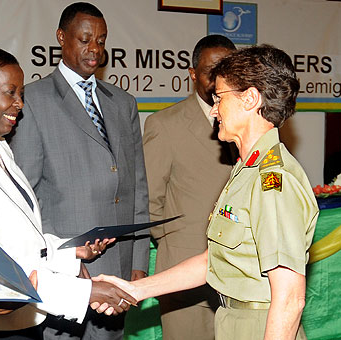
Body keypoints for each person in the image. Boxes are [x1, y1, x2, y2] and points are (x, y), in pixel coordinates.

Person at [94, 45, 319, 340]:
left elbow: (289, 298)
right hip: (232, 321)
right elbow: (211, 261)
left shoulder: (272, 181)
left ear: (250, 99)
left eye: (219, 98)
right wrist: (134, 289)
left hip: (262, 327)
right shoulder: (246, 171)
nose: (214, 110)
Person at [0, 45, 136, 340]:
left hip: (19, 320)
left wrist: (70, 252)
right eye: (10, 93)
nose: (19, 104)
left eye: (21, 94)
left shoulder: (0, 150)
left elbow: (21, 239)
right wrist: (85, 292)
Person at [9, 2, 149, 339]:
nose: (95, 50)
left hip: (117, 271)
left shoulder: (123, 103)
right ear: (61, 37)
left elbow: (136, 188)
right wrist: (58, 260)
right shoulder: (33, 102)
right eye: (85, 39)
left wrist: (139, 263)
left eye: (101, 41)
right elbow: (24, 202)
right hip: (64, 275)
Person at [142, 34, 236, 340]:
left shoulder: (249, 121)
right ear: (193, 74)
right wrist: (176, 245)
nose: (218, 79)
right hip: (186, 279)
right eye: (211, 71)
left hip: (239, 276)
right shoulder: (164, 125)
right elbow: (150, 202)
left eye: (228, 69)